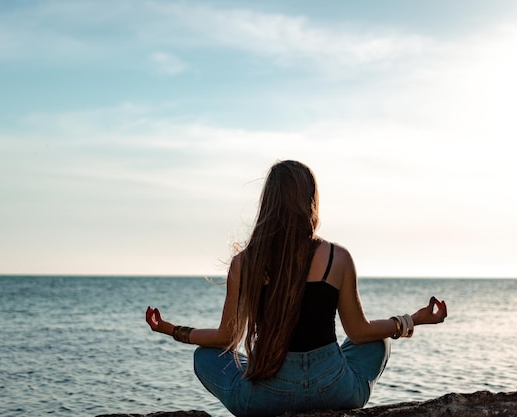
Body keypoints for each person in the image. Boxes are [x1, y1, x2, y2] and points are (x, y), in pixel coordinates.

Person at [146, 160, 448, 417]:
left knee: (204, 356)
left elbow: (227, 338)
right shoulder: (336, 257)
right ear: (310, 200)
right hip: (336, 392)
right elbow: (359, 332)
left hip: (264, 399)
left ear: (269, 202)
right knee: (378, 341)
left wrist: (172, 329)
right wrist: (413, 321)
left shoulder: (246, 263)